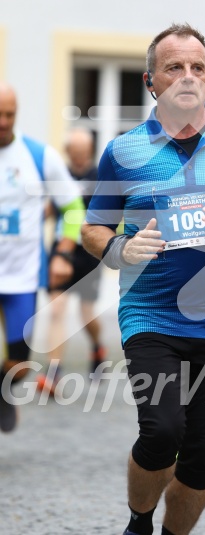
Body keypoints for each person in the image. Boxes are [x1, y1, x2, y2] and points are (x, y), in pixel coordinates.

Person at [82, 23, 205, 535]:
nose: (188, 77)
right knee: (161, 430)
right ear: (152, 80)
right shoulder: (124, 152)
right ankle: (139, 522)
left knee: (201, 454)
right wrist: (118, 249)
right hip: (149, 311)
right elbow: (93, 227)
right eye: (175, 67)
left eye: (198, 67)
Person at [0, 82, 84, 432]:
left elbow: (74, 207)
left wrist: (64, 251)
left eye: (10, 114)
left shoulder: (38, 156)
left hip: (20, 278)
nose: (4, 121)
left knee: (20, 365)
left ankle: (2, 394)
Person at [36, 127, 106, 396]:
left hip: (89, 251)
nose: (78, 159)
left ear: (89, 151)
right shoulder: (58, 174)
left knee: (86, 315)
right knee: (56, 309)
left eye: (83, 153)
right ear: (67, 152)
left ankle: (97, 345)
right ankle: (53, 374)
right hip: (60, 250)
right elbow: (49, 208)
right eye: (74, 153)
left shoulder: (100, 175)